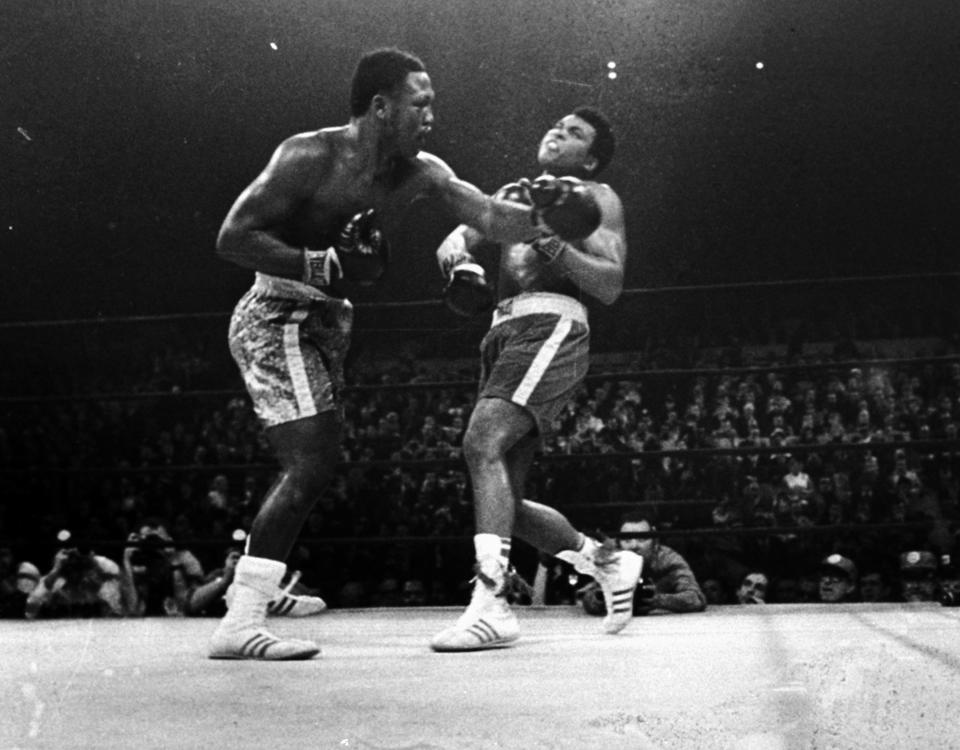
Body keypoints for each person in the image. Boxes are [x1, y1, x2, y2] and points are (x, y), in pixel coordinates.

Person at [210, 47, 590, 660]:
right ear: (381, 107)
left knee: (314, 458)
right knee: (310, 462)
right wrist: (324, 262)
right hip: (277, 313)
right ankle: (243, 617)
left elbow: (489, 214)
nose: (431, 115)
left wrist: (551, 219)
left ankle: (261, 581)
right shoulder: (308, 154)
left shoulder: (419, 170)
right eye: (422, 102)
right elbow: (233, 238)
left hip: (327, 320)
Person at [430, 106, 644, 651]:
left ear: (590, 158)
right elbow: (453, 241)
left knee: (481, 443)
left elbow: (611, 284)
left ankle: (491, 603)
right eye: (557, 125)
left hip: (554, 323)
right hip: (502, 332)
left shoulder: (598, 198)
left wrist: (552, 239)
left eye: (575, 134)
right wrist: (462, 264)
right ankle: (609, 562)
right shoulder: (514, 191)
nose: (557, 132)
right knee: (508, 499)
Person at [579, 513, 706, 618]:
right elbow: (588, 598)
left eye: (642, 539)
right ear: (618, 542)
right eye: (627, 540)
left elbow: (696, 599)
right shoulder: (611, 557)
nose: (634, 546)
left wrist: (658, 600)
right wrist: (603, 598)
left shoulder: (669, 560)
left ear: (654, 541)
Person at [25, 547, 124, 619]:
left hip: (98, 598)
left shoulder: (103, 564)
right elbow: (34, 600)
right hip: (68, 599)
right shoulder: (60, 575)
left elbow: (118, 579)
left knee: (109, 591)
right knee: (37, 597)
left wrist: (94, 567)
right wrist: (57, 567)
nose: (76, 560)